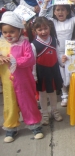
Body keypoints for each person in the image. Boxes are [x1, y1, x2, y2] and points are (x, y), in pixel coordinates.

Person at [0, 12, 43, 143]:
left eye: (12, 32)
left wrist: (15, 61)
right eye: (5, 32)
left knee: (28, 102)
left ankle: (35, 125)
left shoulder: (25, 43)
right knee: (10, 103)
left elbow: (30, 59)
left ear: (19, 31)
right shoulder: (1, 44)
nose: (8, 35)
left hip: (24, 80)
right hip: (7, 82)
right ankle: (11, 127)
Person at [39, 0, 75, 107]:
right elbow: (41, 18)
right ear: (54, 12)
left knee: (73, 74)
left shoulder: (72, 21)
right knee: (62, 75)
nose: (60, 12)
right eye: (57, 10)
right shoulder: (52, 22)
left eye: (63, 9)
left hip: (72, 52)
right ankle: (65, 95)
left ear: (68, 11)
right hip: (58, 52)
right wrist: (45, 3)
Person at [28, 17, 64, 126]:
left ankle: (54, 110)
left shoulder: (53, 39)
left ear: (49, 27)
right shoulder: (34, 44)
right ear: (35, 31)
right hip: (41, 72)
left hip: (53, 70)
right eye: (40, 30)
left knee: (53, 92)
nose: (43, 31)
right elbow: (33, 61)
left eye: (45, 28)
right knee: (42, 94)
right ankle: (44, 113)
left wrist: (62, 63)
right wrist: (34, 75)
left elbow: (58, 53)